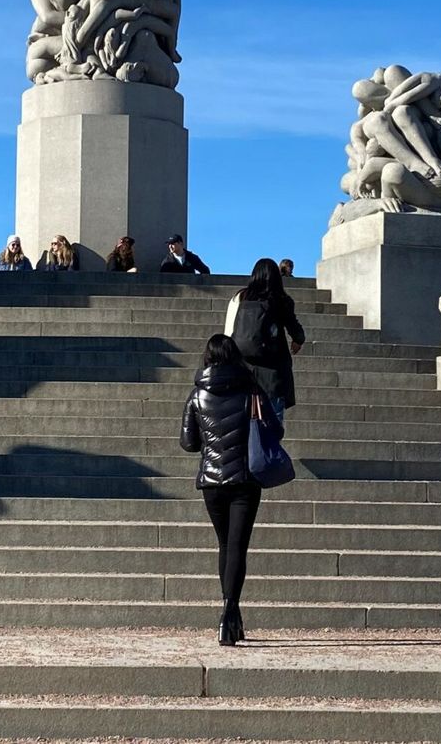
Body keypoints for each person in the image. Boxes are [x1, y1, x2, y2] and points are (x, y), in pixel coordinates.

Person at [178, 332, 265, 647]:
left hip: (212, 482)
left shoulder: (197, 394)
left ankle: (231, 615)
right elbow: (274, 428)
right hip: (244, 479)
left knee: (225, 545)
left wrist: (210, 440)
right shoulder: (252, 389)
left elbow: (188, 443)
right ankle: (230, 612)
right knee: (237, 548)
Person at [228, 258, 305, 413]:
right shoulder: (281, 299)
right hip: (273, 372)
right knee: (272, 429)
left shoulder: (240, 297)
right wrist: (299, 339)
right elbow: (293, 326)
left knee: (247, 427)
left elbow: (229, 330)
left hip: (244, 371)